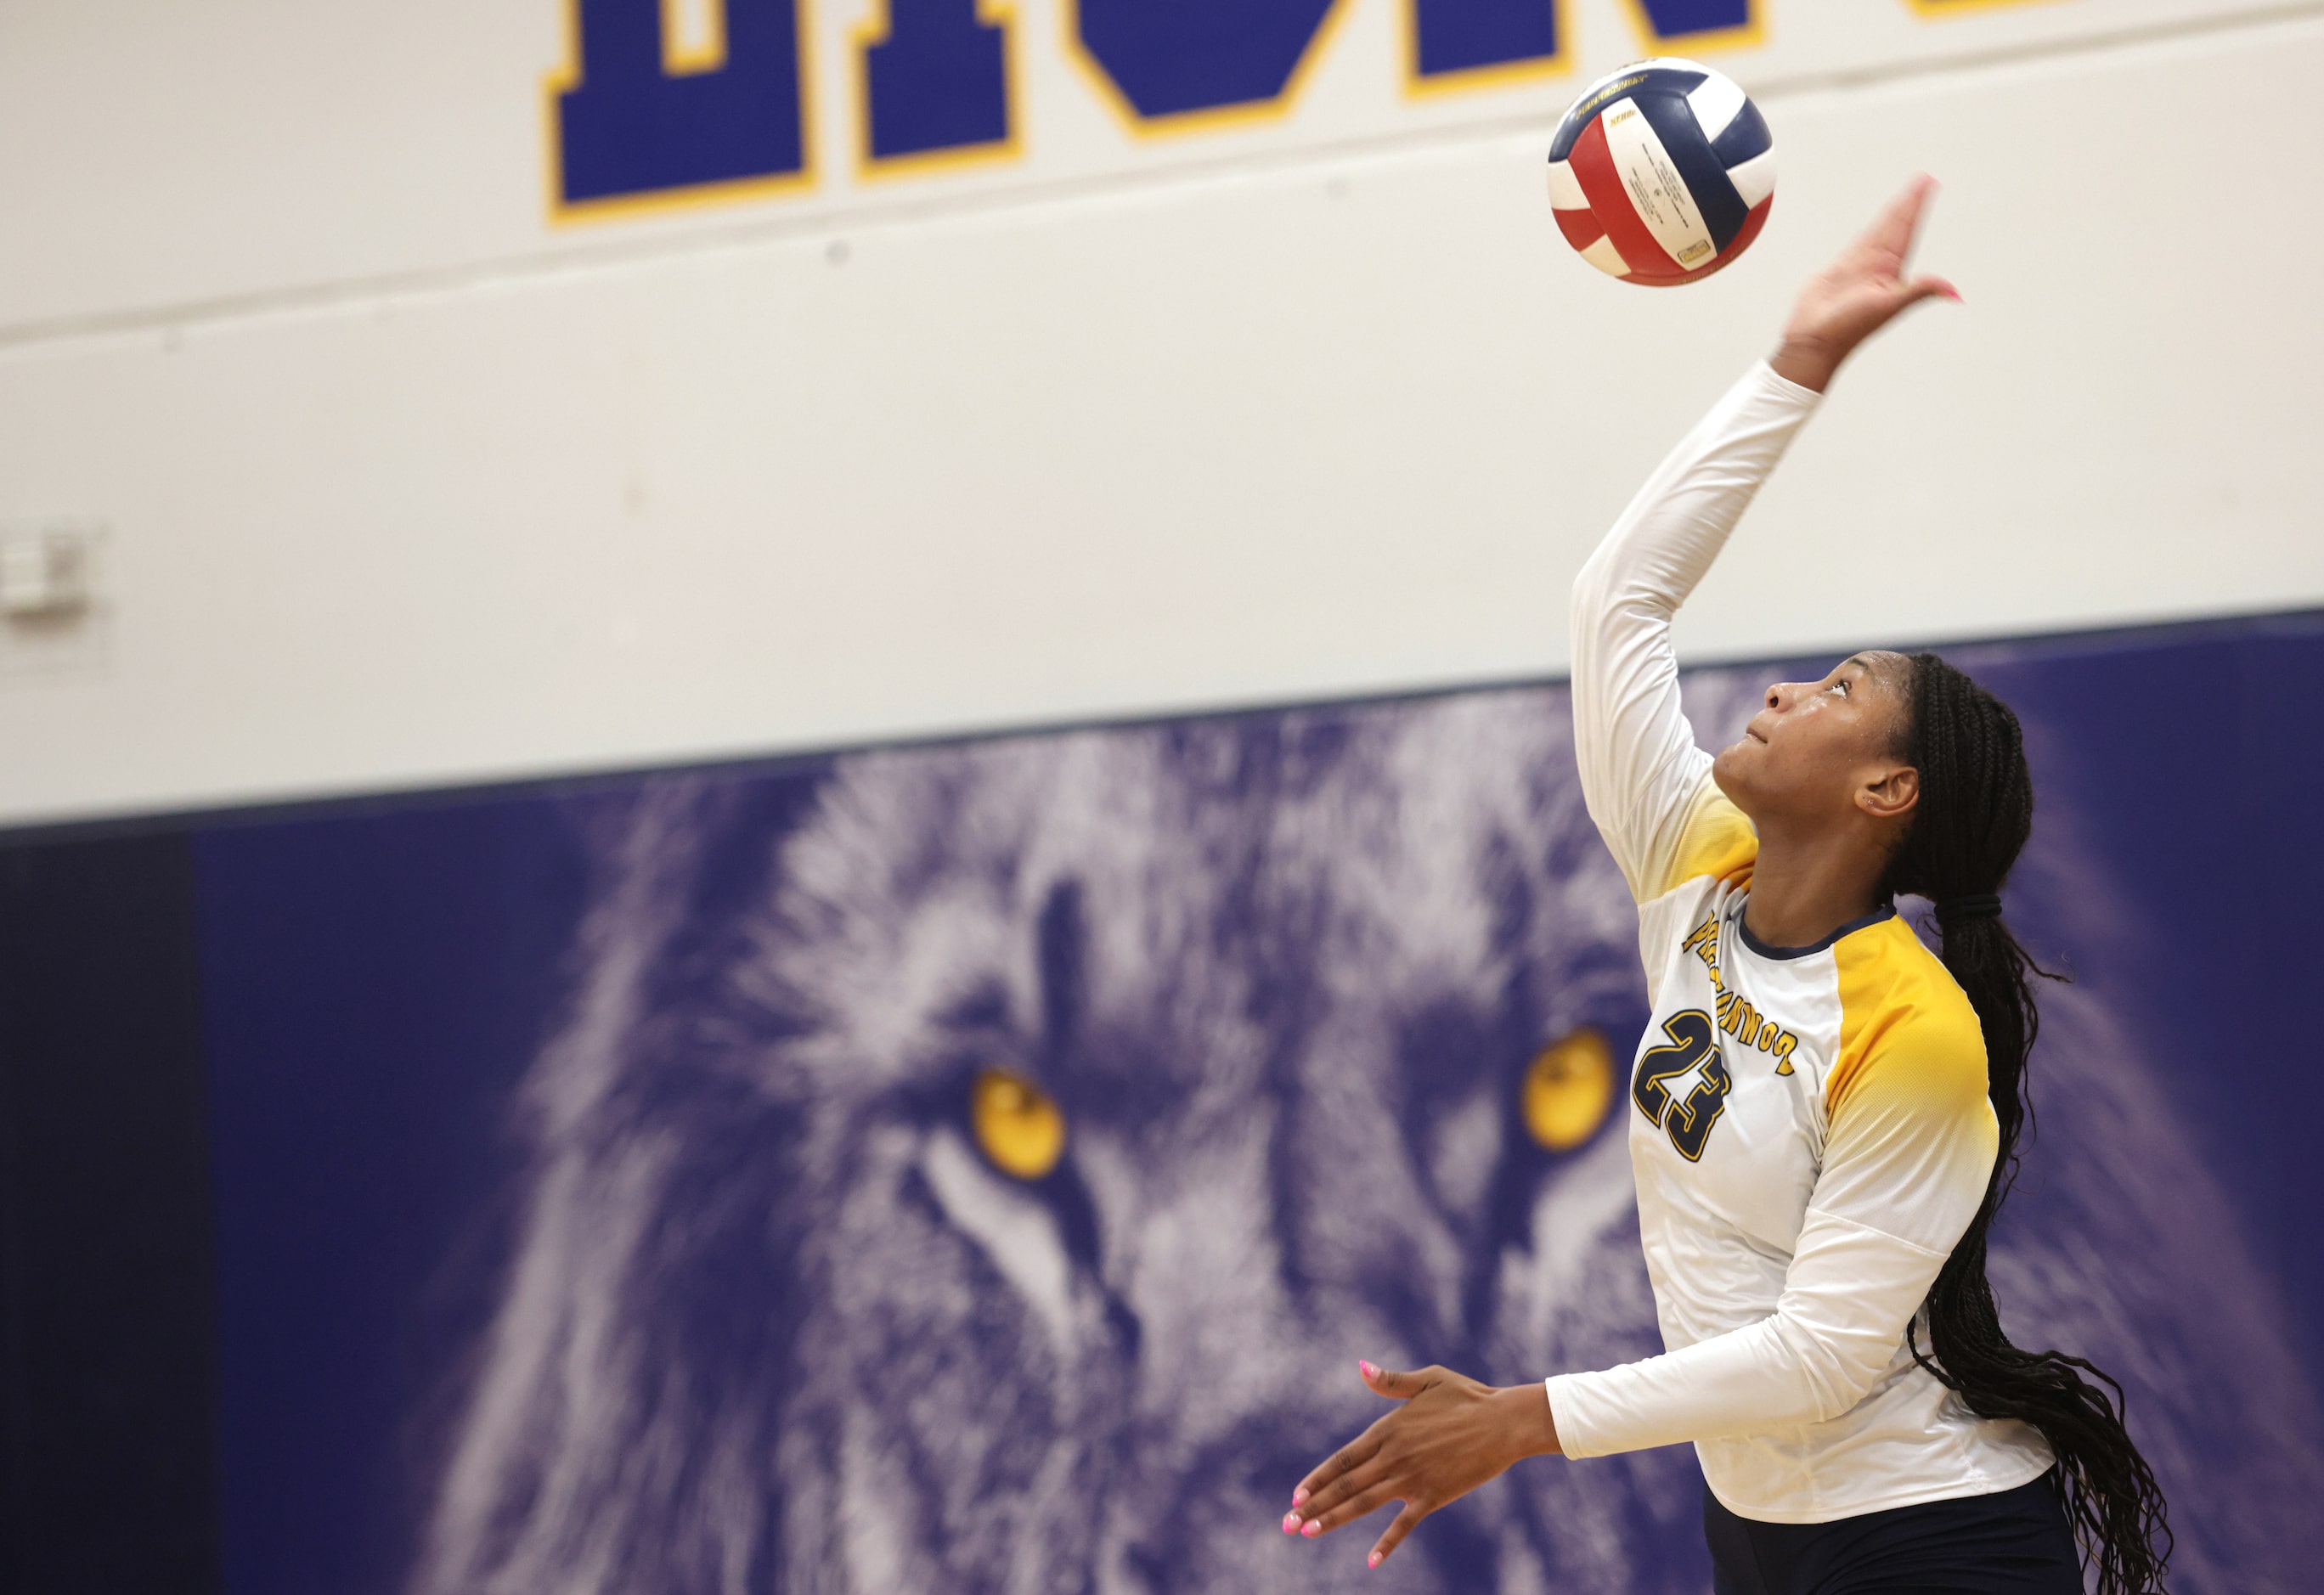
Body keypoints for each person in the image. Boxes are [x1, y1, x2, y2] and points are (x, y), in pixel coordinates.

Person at [1279, 178, 2171, 1593]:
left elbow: (1821, 1358)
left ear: (1890, 793)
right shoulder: (1697, 871)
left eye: (1837, 691)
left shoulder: (1915, 1033)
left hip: (1934, 1535)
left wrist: (1526, 1418)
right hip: (1758, 1532)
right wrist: (1795, 361)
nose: (1781, 689)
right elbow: (1615, 602)